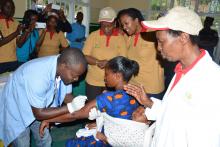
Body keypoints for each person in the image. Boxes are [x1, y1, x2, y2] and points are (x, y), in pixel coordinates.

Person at [124, 6, 220, 147]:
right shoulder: (181, 70)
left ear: (183, 37)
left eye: (162, 41)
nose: (158, 48)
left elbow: (206, 140)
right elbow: (174, 115)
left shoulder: (212, 81)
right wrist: (148, 102)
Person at [39, 56, 140, 145]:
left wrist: (49, 119)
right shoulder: (137, 93)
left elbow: (76, 115)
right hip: (124, 138)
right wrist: (99, 123)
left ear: (117, 76)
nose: (104, 78)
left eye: (106, 74)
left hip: (109, 139)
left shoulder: (108, 98)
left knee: (75, 142)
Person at [0, 48, 87, 147]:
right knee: (23, 143)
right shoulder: (38, 75)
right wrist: (71, 107)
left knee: (45, 140)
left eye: (78, 76)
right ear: (64, 66)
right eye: (74, 76)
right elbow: (39, 114)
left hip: (38, 105)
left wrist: (85, 107)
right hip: (17, 108)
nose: (76, 79)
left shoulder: (65, 70)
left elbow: (66, 96)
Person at [118, 8, 165, 100]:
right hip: (132, 86)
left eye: (126, 23)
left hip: (151, 89)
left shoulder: (153, 33)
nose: (124, 27)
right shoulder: (129, 37)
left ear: (136, 20)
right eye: (122, 25)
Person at [83, 7, 127, 100]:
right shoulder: (93, 36)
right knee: (92, 110)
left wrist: (110, 64)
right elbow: (84, 56)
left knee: (109, 110)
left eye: (109, 25)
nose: (106, 29)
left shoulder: (120, 38)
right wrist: (97, 62)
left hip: (113, 82)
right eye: (103, 25)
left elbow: (123, 60)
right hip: (93, 81)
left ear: (115, 23)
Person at [0, 0, 23, 74]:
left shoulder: (16, 22)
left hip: (13, 60)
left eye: (12, 7)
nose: (10, 9)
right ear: (1, 7)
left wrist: (27, 32)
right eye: (8, 7)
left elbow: (19, 44)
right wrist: (16, 32)